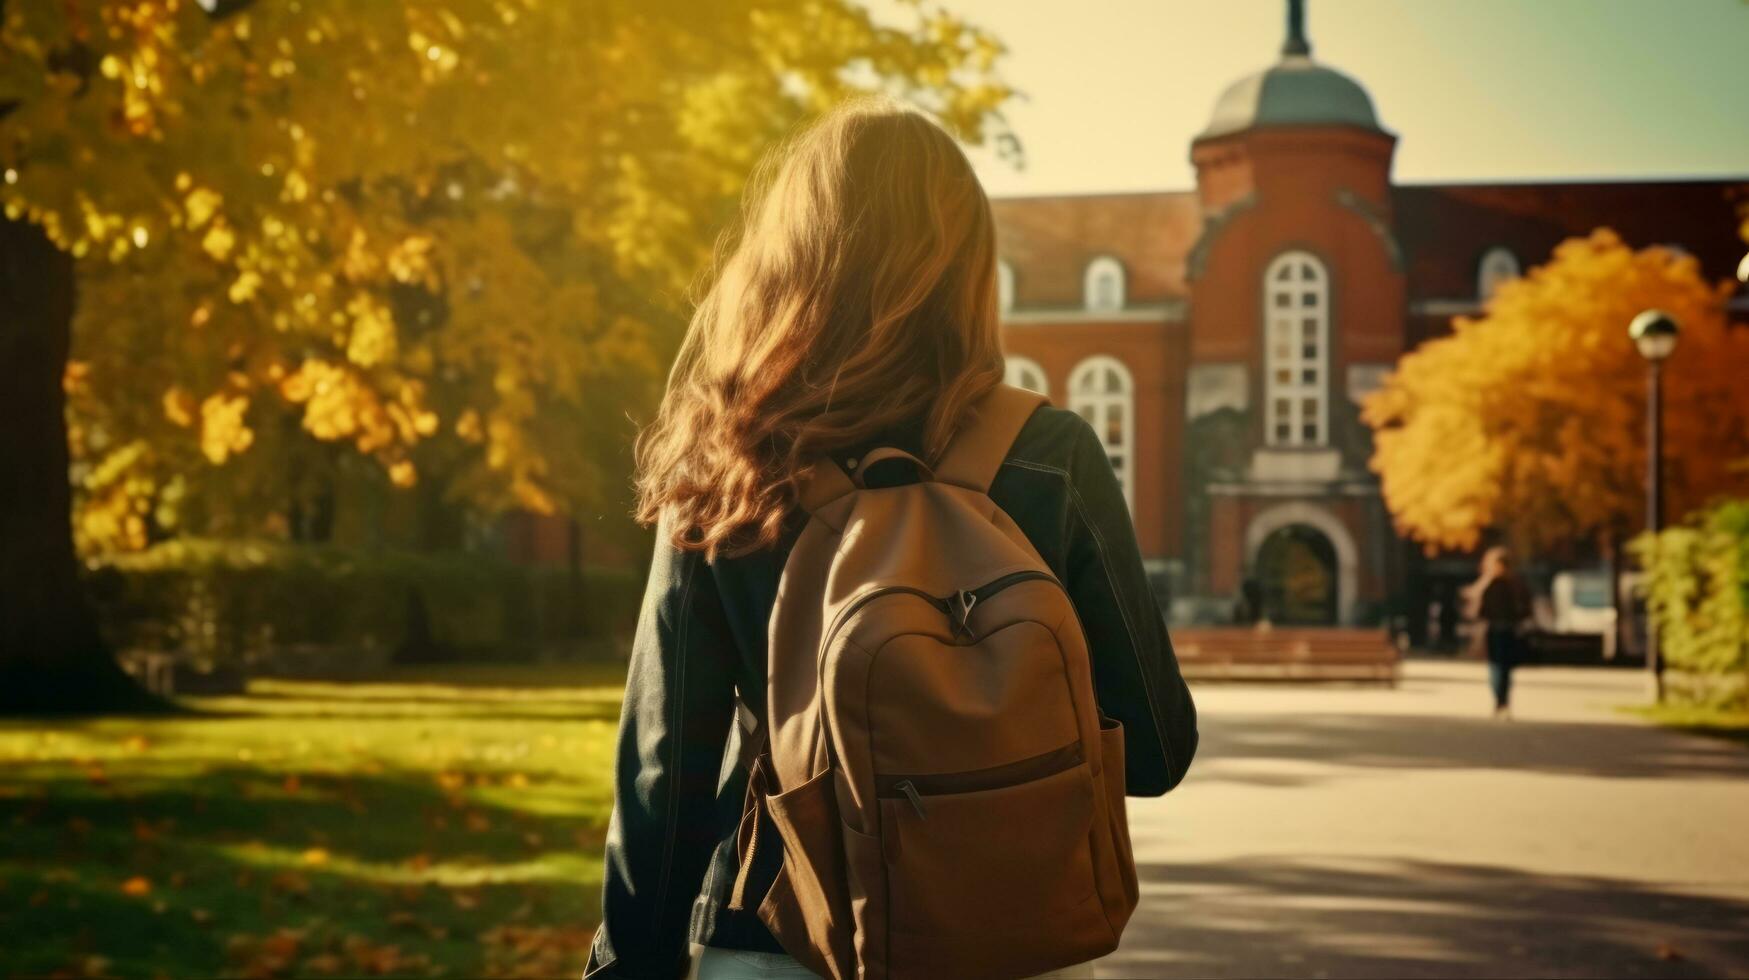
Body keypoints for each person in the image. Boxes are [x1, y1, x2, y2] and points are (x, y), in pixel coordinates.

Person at [584, 99, 1199, 979]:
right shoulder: (1047, 455)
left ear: (788, 256)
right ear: (966, 266)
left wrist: (625, 965)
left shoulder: (727, 459)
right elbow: (1154, 752)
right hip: (1010, 942)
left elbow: (663, 775)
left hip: (775, 938)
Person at [1472, 546, 1533, 719]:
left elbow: (1526, 608)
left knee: (1503, 669)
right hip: (1496, 630)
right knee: (1497, 668)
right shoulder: (1491, 584)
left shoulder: (1513, 585)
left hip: (1508, 630)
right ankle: (1500, 702)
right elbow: (1479, 610)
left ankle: (1503, 702)